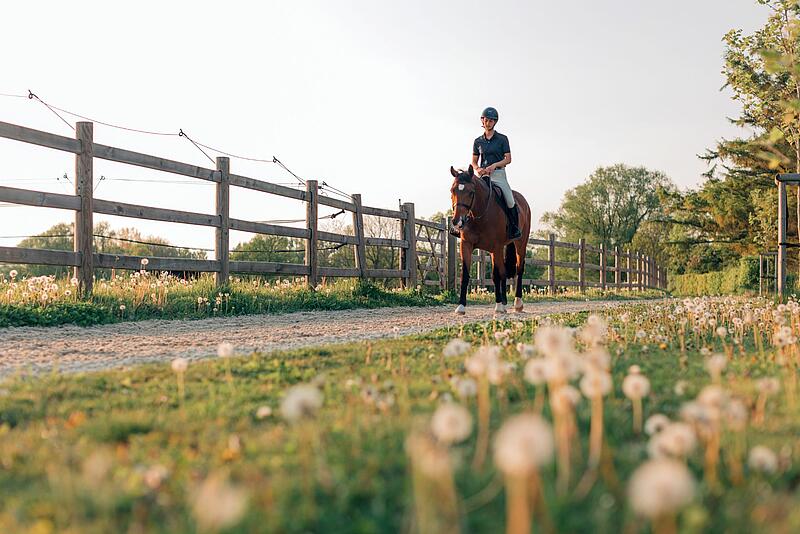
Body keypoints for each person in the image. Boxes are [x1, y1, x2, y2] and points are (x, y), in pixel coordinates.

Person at [472, 106, 521, 239]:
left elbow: (508, 159)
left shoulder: (502, 139)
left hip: (498, 175)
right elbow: (474, 161)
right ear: (482, 121)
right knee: (468, 195)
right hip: (482, 176)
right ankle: (460, 226)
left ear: (495, 122)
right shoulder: (478, 141)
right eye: (486, 120)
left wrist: (494, 165)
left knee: (510, 201)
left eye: (491, 121)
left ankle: (514, 228)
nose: (488, 123)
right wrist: (477, 169)